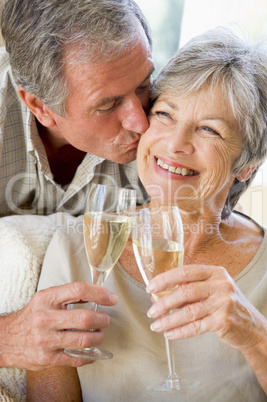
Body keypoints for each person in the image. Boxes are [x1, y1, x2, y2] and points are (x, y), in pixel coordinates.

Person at [28, 27, 267, 401]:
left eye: (209, 129)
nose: (174, 144)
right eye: (165, 114)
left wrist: (256, 336)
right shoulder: (77, 250)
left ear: (248, 164)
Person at [0, 0, 154, 371]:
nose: (142, 124)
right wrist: (6, 340)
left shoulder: (174, 123)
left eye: (145, 83)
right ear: (39, 105)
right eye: (108, 105)